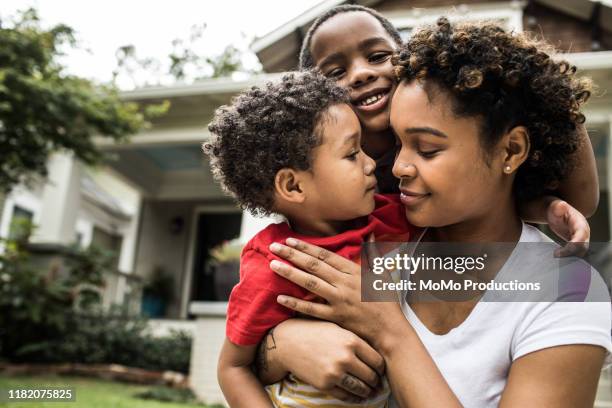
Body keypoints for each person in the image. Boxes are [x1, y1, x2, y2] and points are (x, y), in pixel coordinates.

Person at [259, 18, 612, 407]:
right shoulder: (375, 240)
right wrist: (280, 346)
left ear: (511, 151)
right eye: (396, 143)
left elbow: (574, 189)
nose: (396, 168)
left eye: (426, 148)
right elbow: (256, 332)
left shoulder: (566, 291)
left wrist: (390, 333)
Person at [205, 71, 414, 407]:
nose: (371, 163)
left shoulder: (387, 219)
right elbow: (233, 367)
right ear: (293, 186)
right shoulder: (276, 265)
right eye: (351, 154)